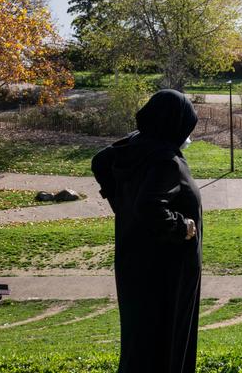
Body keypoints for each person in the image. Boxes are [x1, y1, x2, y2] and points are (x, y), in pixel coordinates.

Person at [91, 90, 203, 373]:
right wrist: (182, 226)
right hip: (166, 271)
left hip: (136, 263)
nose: (189, 135)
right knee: (166, 338)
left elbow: (100, 162)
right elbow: (149, 206)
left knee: (141, 341)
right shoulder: (166, 161)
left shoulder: (138, 148)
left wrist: (121, 204)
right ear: (175, 125)